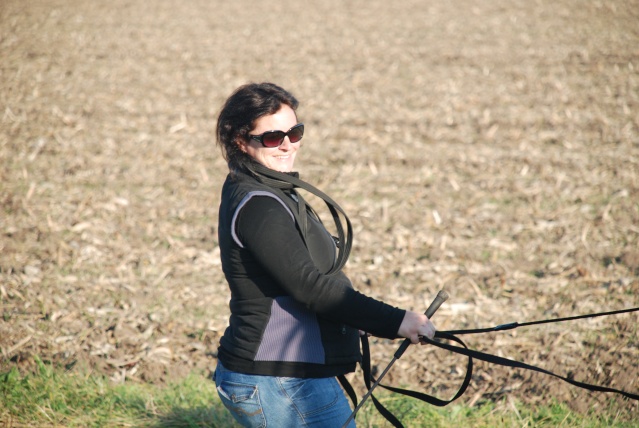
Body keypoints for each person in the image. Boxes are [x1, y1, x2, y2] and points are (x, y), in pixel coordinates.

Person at [212, 82, 436, 427]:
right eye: (272, 137)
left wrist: (355, 318)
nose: (288, 145)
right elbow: (310, 287)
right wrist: (397, 320)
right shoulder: (260, 205)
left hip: (281, 374)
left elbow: (296, 279)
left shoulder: (263, 186)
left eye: (295, 132)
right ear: (241, 141)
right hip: (281, 381)